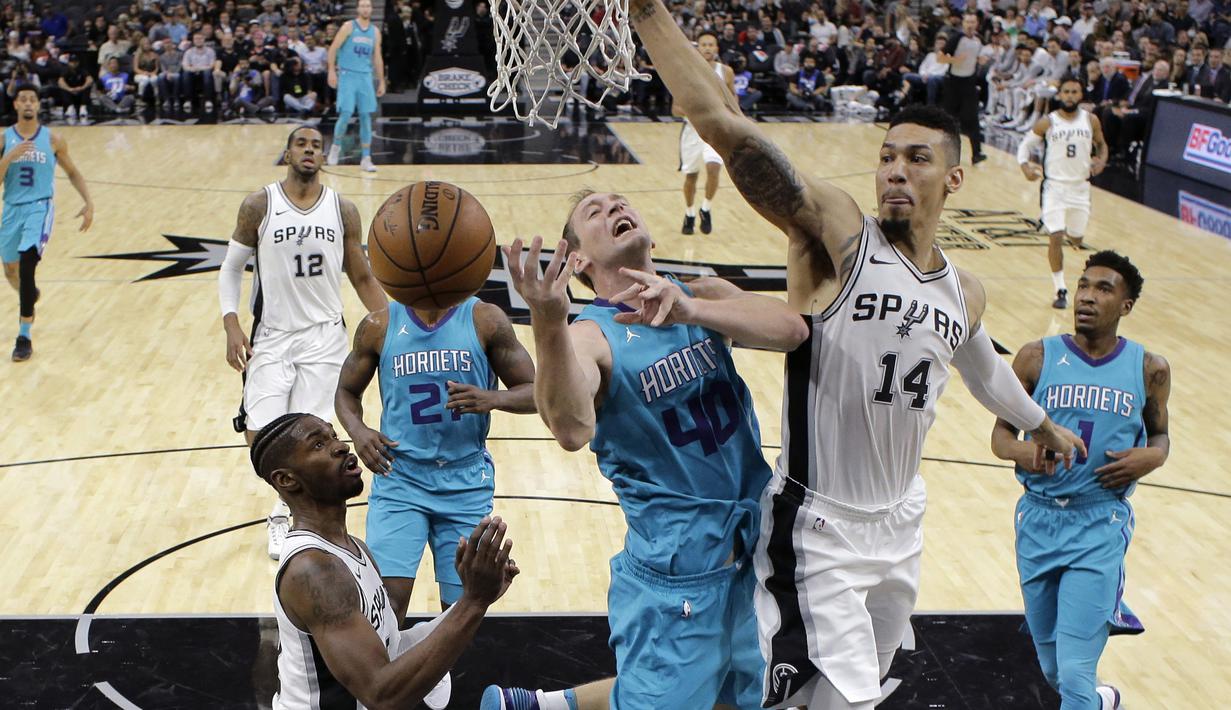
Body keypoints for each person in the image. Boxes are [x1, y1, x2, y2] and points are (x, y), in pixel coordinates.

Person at [625, 1, 1085, 706]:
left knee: (839, 694)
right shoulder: (837, 232)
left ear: (953, 179)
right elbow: (725, 128)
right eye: (886, 156)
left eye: (916, 158)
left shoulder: (964, 291)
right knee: (842, 700)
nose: (894, 171)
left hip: (900, 523)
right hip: (817, 527)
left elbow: (983, 370)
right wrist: (648, 13)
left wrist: (1041, 423)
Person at [482, 192, 810, 710]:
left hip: (756, 548)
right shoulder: (591, 336)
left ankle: (540, 705)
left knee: (742, 697)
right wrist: (547, 321)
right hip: (678, 573)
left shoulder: (698, 295)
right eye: (595, 211)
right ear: (579, 261)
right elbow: (570, 428)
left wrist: (692, 308)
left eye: (620, 202)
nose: (613, 209)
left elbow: (792, 330)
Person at [991, 251, 1169, 710]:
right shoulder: (1035, 357)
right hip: (1038, 521)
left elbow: (1161, 435)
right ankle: (1104, 700)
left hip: (1100, 525)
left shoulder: (1149, 368)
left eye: (1103, 289)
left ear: (1126, 306)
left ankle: (1089, 695)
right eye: (1085, 285)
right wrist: (1024, 451)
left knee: (1073, 675)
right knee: (1053, 669)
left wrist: (1150, 457)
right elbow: (1000, 436)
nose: (1087, 296)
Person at [251, 413, 518, 710]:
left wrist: (475, 597)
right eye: (317, 445)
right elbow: (382, 694)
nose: (340, 447)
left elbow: (387, 639)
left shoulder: (353, 548)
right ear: (286, 479)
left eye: (334, 436)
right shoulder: (313, 570)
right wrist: (473, 602)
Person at [217, 126, 387, 559]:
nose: (310, 150)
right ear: (288, 152)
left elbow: (362, 276)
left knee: (314, 436)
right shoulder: (259, 205)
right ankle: (287, 504)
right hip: (271, 335)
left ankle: (287, 515)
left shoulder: (343, 210)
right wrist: (231, 322)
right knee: (261, 433)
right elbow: (231, 268)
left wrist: (393, 323)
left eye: (316, 146)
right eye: (301, 144)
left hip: (324, 337)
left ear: (323, 156)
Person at [335, 291, 536, 621]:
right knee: (386, 606)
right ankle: (386, 673)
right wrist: (358, 431)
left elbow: (537, 392)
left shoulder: (486, 320)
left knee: (459, 612)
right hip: (399, 477)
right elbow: (345, 391)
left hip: (465, 482)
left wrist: (494, 397)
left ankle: (445, 676)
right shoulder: (379, 324)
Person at [0, 85, 93, 362]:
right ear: (15, 104)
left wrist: (88, 202)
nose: (28, 103)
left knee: (28, 262)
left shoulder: (53, 139)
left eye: (33, 99)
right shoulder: (5, 138)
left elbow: (73, 172)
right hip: (11, 209)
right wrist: (7, 159)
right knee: (11, 272)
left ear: (38, 105)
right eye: (23, 99)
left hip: (40, 207)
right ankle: (30, 293)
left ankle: (24, 335)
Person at [1017, 77, 1108, 309]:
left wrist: (1101, 161)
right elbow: (1024, 147)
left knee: (1076, 239)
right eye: (1066, 91)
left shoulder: (1091, 120)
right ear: (1059, 95)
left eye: (1074, 91)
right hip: (1054, 188)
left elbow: (1102, 145)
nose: (1069, 95)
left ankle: (1066, 229)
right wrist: (1025, 166)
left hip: (1080, 188)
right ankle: (1060, 289)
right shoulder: (1048, 122)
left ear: (1080, 94)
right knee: (1055, 236)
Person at [676, 31, 734, 235]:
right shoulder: (686, 72)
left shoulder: (726, 72)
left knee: (713, 169)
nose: (708, 48)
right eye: (704, 44)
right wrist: (698, 113)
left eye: (711, 44)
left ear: (717, 48)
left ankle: (706, 209)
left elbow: (733, 102)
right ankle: (690, 213)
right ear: (697, 48)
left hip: (716, 130)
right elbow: (675, 109)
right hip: (692, 130)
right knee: (691, 176)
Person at [325, 0, 385, 173]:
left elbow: (377, 57)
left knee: (366, 116)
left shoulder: (375, 31)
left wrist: (381, 80)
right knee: (345, 113)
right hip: (347, 75)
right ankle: (335, 147)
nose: (366, 8)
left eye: (368, 6)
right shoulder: (348, 27)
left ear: (371, 9)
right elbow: (333, 48)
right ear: (358, 9)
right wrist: (331, 70)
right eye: (363, 6)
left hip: (365, 77)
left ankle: (366, 158)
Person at [938, 13, 987, 163]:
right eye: (967, 22)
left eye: (972, 22)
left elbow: (974, 59)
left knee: (972, 118)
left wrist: (980, 61)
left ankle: (976, 153)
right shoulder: (956, 38)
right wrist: (954, 60)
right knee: (948, 118)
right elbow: (939, 58)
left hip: (969, 83)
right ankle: (943, 153)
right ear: (963, 23)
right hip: (953, 83)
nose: (970, 25)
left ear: (977, 24)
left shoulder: (979, 41)